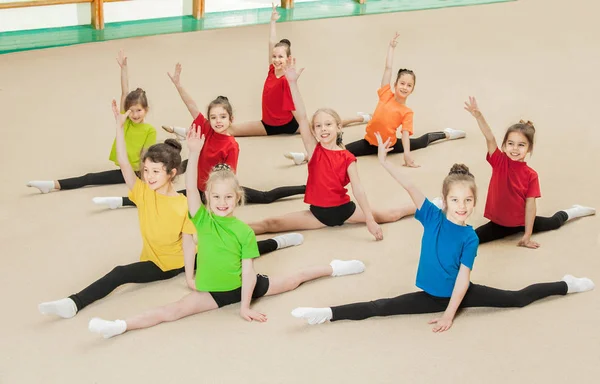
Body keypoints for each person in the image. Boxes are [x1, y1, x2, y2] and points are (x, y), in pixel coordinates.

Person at [292, 133, 595, 332]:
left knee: (516, 299)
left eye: (467, 201)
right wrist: (384, 161)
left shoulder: (470, 237)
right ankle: (326, 312)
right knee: (380, 307)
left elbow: (463, 280)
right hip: (429, 295)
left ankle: (565, 285)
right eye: (454, 200)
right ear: (445, 200)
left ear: (474, 202)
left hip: (458, 294)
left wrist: (450, 314)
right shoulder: (432, 217)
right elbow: (410, 187)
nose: (461, 206)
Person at [86, 127, 365, 338]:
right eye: (216, 198)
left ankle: (334, 268)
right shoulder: (201, 219)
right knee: (170, 311)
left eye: (227, 198)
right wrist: (194, 153)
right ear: (208, 197)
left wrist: (245, 306)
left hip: (244, 287)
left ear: (237, 198)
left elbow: (248, 273)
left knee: (296, 279)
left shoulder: (243, 232)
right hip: (213, 291)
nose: (221, 203)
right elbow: (192, 191)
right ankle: (118, 326)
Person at [38, 101, 302, 319]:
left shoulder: (181, 205)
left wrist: (189, 277)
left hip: (170, 263)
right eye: (146, 171)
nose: (149, 176)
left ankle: (73, 304)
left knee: (121, 273)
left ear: (171, 173)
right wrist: (118, 128)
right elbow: (123, 164)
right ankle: (277, 242)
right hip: (161, 254)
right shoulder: (142, 192)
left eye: (155, 172)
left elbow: (189, 243)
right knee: (226, 247)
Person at [93, 63, 306, 210]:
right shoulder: (207, 128)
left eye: (223, 117)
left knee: (265, 197)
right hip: (197, 187)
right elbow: (192, 106)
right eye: (214, 117)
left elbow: (229, 177)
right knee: (159, 196)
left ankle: (304, 187)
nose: (218, 121)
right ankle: (119, 201)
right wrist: (178, 85)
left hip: (214, 191)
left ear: (231, 118)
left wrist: (217, 199)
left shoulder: (231, 145)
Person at [249, 60, 415, 240]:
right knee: (270, 224)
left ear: (338, 127)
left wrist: (369, 219)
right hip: (316, 215)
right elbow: (303, 117)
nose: (323, 129)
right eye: (318, 126)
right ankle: (226, 231)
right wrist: (292, 83)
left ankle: (428, 206)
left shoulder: (348, 157)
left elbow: (358, 189)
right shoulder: (314, 149)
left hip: (345, 211)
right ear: (314, 130)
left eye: (328, 124)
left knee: (389, 215)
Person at [283, 33, 466, 166]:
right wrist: (391, 48)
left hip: (389, 146)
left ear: (412, 90)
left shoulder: (407, 112)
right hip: (368, 142)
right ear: (395, 84)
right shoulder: (386, 93)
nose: (404, 87)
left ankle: (447, 133)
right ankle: (305, 156)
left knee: (422, 141)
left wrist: (407, 156)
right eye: (402, 83)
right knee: (337, 151)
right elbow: (387, 68)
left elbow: (405, 135)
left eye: (409, 86)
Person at [464, 97, 595, 247]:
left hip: (521, 222)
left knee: (553, 223)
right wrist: (479, 116)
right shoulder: (499, 161)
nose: (515, 149)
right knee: (471, 239)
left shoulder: (531, 175)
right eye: (511, 144)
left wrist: (527, 234)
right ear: (504, 146)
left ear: (529, 148)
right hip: (498, 224)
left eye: (521, 145)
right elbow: (489, 137)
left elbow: (531, 206)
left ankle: (574, 211)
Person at [27, 49, 157, 193]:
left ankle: (52, 185)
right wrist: (123, 69)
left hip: (137, 173)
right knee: (89, 178)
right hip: (126, 169)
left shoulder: (150, 130)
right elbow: (124, 92)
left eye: (139, 110)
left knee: (90, 178)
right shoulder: (125, 120)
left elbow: (146, 157)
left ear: (146, 110)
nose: (135, 114)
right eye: (131, 110)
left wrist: (145, 184)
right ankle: (52, 184)